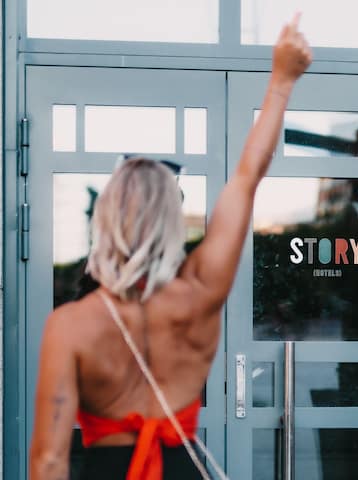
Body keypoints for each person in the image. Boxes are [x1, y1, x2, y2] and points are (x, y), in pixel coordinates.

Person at [29, 13, 312, 480]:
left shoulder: (69, 327)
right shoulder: (199, 294)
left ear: (106, 218)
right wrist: (281, 80)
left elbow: (49, 460)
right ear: (171, 221)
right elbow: (246, 179)